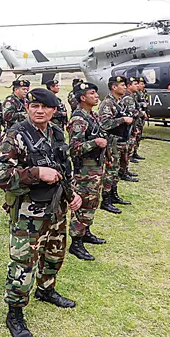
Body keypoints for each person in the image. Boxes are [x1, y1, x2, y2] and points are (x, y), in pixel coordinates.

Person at [0, 87, 82, 337]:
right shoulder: (16, 135)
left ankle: (46, 290)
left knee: (55, 254)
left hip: (56, 209)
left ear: (54, 110)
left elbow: (65, 167)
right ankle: (15, 313)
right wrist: (35, 172)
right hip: (28, 215)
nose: (39, 110)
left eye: (44, 107)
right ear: (27, 108)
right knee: (24, 263)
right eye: (34, 106)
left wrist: (72, 193)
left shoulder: (56, 133)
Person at [67, 81, 110, 260]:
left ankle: (86, 232)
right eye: (92, 93)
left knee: (92, 203)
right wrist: (95, 143)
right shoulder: (79, 119)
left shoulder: (92, 115)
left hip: (95, 168)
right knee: (83, 205)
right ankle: (76, 243)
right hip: (84, 171)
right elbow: (73, 148)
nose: (96, 96)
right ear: (82, 98)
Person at [98, 76, 135, 210]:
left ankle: (113, 194)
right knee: (110, 171)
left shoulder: (118, 102)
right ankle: (106, 200)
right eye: (122, 85)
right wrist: (122, 120)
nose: (125, 87)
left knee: (115, 170)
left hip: (120, 141)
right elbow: (104, 124)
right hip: (111, 142)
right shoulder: (108, 103)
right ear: (114, 87)